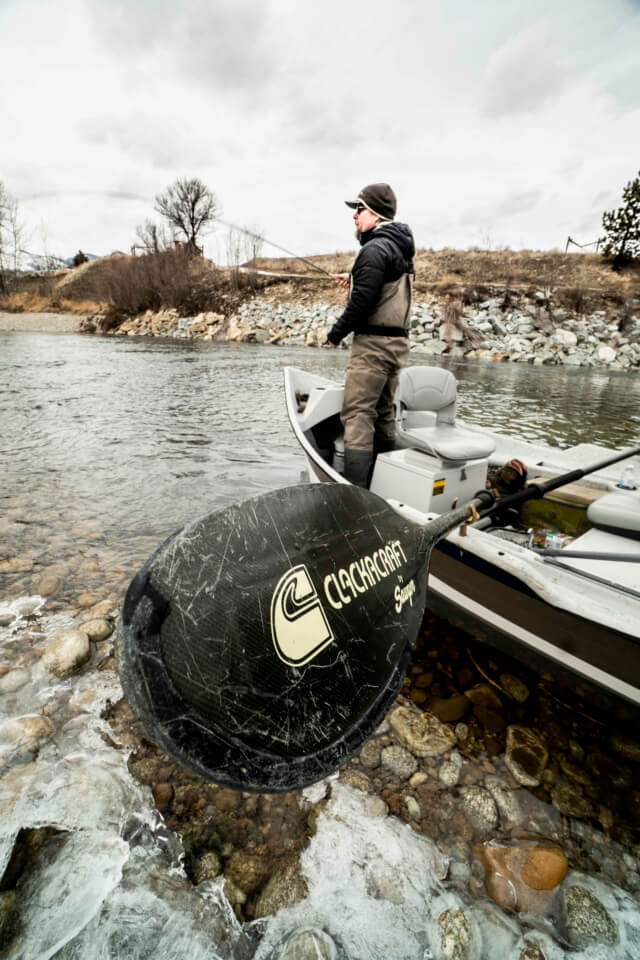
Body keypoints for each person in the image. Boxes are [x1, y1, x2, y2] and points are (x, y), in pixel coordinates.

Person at [325, 183, 415, 487]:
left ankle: (357, 493)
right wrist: (353, 278)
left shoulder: (374, 249)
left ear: (375, 215)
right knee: (384, 411)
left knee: (357, 414)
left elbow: (363, 304)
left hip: (373, 346)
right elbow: (380, 283)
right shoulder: (399, 247)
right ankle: (384, 484)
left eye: (359, 209)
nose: (355, 216)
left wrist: (335, 334)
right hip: (397, 345)